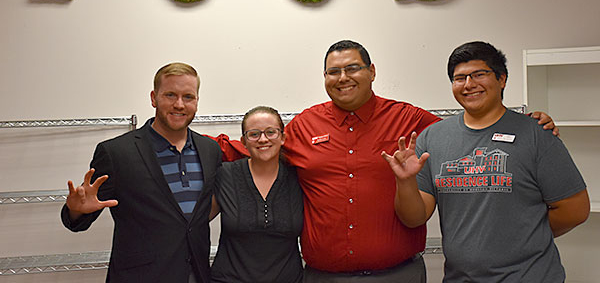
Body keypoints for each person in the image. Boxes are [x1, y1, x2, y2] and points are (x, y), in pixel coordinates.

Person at [218, 39, 558, 282]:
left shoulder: (409, 119)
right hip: (322, 277)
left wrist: (525, 124)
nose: (342, 77)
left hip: (399, 274)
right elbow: (255, 146)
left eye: (352, 68)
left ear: (372, 71)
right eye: (332, 71)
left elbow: (470, 134)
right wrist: (180, 140)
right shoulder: (306, 125)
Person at [382, 41, 590, 282]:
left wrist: (527, 236)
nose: (469, 84)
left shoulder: (536, 133)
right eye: (459, 78)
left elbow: (575, 210)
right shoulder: (433, 137)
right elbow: (414, 217)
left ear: (501, 79)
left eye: (479, 74)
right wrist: (405, 181)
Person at [61, 62, 223, 283]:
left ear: (197, 101)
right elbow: (78, 220)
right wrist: (76, 210)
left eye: (188, 97)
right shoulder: (116, 153)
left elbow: (196, 216)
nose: (179, 104)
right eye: (170, 95)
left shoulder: (210, 150)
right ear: (153, 98)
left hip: (196, 275)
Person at [210, 106, 303, 283]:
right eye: (254, 134)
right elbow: (195, 222)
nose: (262, 139)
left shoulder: (299, 178)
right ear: (243, 141)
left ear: (283, 138)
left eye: (270, 132)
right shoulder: (225, 175)